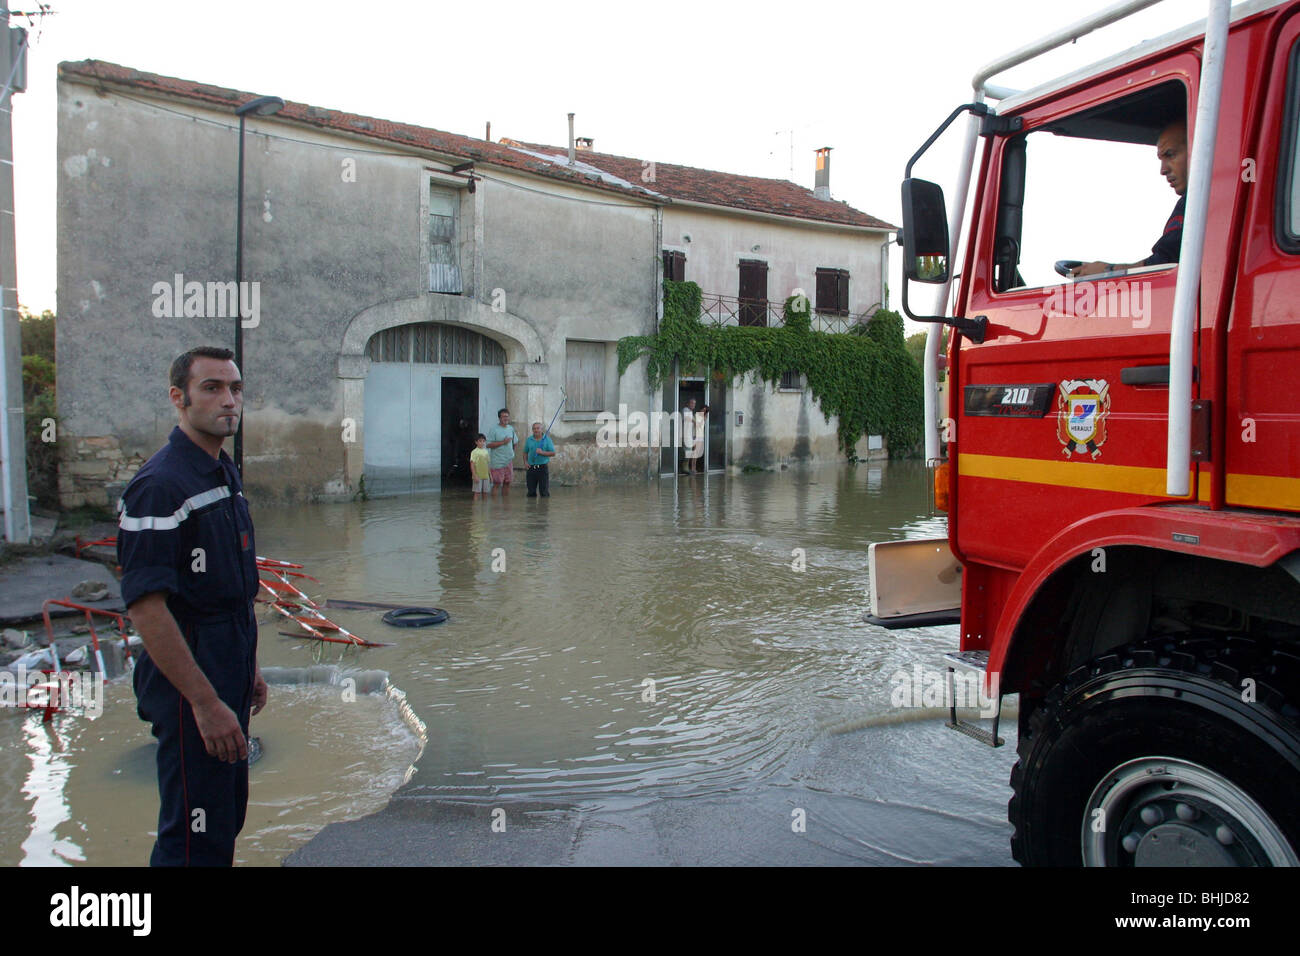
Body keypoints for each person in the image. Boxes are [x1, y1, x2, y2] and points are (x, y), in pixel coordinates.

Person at [116, 346, 265, 866]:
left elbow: (234, 590)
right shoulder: (160, 486)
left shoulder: (221, 471)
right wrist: (204, 702)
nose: (229, 401)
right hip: (188, 676)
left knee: (224, 815)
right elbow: (146, 608)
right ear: (178, 398)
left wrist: (251, 671)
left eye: (236, 388)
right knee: (191, 835)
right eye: (212, 388)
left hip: (229, 659)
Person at [1071, 119, 1187, 278]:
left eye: (1170, 155)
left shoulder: (1195, 204)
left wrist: (1108, 272)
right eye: (1161, 160)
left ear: (1198, 148)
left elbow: (1164, 267)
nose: (1163, 170)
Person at [485, 407, 518, 495]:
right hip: (497, 462)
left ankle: (505, 505)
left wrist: (512, 453)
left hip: (508, 461)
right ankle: (494, 507)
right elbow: (488, 445)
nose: (506, 418)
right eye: (503, 416)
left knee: (507, 482)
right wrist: (503, 442)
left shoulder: (511, 428)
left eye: (507, 416)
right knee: (497, 483)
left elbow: (515, 442)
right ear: (499, 418)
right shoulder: (494, 429)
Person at [524, 421, 556, 497]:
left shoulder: (547, 439)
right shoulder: (529, 440)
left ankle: (543, 508)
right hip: (531, 468)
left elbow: (553, 453)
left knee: (544, 492)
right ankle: (531, 508)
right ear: (532, 430)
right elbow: (525, 452)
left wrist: (542, 452)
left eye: (538, 428)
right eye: (534, 428)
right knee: (531, 492)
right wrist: (525, 462)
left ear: (542, 429)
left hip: (542, 468)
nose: (536, 430)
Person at [469, 433, 491, 497]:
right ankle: (476, 506)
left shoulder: (486, 452)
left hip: (486, 476)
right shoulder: (474, 452)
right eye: (480, 441)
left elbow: (487, 464)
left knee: (485, 493)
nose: (482, 443)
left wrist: (490, 475)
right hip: (478, 476)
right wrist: (474, 475)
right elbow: (472, 464)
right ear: (476, 442)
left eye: (483, 441)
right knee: (477, 493)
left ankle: (484, 506)